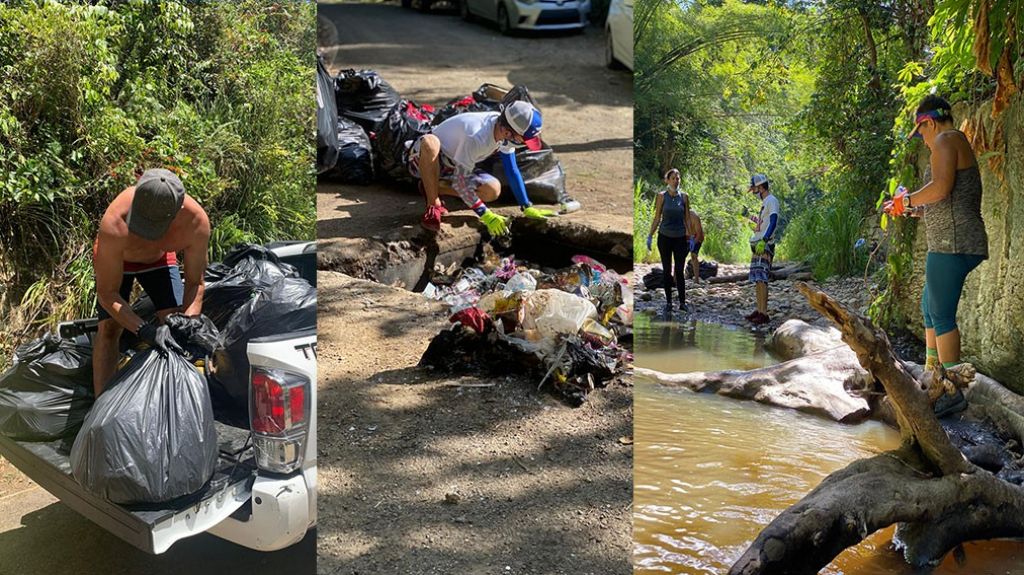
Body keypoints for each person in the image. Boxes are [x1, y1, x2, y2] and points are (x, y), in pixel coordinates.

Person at [884, 94, 988, 417]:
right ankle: (933, 376)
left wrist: (907, 201)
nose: (924, 142)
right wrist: (913, 208)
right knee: (929, 307)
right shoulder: (951, 142)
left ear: (928, 123)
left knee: (941, 314)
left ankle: (952, 389)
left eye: (921, 134)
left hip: (953, 243)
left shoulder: (945, 139)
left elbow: (940, 189)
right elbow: (944, 199)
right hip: (950, 240)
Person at [92, 168, 210, 396]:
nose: (145, 235)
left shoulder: (196, 224)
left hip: (158, 261)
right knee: (109, 329)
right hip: (119, 260)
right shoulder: (115, 220)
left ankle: (175, 397)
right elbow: (107, 295)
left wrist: (187, 326)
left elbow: (196, 283)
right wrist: (144, 330)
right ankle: (100, 405)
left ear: (177, 212)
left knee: (174, 325)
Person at [408, 100, 567, 234]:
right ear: (507, 132)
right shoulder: (477, 136)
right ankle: (433, 204)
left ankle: (432, 188)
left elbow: (512, 170)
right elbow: (461, 184)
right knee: (430, 142)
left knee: (492, 190)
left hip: (455, 164)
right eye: (524, 140)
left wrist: (526, 206)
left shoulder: (503, 132)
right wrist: (486, 215)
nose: (524, 144)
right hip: (426, 161)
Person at [646, 168, 689, 313]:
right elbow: (657, 217)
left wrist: (691, 236)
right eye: (673, 178)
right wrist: (650, 235)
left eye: (678, 178)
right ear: (667, 180)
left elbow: (687, 218)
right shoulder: (661, 196)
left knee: (679, 270)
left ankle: (682, 303)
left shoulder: (684, 197)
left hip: (680, 238)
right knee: (666, 270)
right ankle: (669, 302)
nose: (676, 181)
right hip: (664, 237)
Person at [745, 174, 779, 325]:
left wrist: (764, 240)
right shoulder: (765, 202)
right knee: (757, 278)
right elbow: (763, 223)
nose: (753, 192)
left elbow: (773, 222)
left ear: (761, 187)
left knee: (762, 279)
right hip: (758, 243)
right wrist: (749, 218)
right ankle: (759, 310)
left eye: (754, 189)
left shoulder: (772, 201)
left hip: (765, 244)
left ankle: (764, 313)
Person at [686, 207, 704, 284]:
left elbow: (699, 232)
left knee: (694, 255)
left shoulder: (694, 216)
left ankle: (696, 279)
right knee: (679, 257)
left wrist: (694, 241)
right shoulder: (677, 215)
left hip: (696, 236)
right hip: (684, 237)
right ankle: (675, 280)